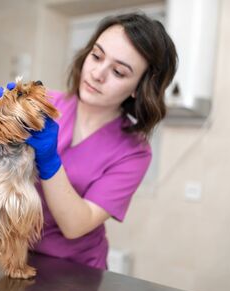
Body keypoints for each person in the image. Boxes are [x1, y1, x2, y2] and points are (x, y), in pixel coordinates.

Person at [24, 12, 178, 270]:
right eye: (96, 56)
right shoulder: (44, 104)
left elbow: (76, 225)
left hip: (75, 271)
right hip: (15, 254)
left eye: (118, 71)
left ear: (138, 88)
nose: (97, 73)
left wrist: (49, 160)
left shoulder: (134, 151)